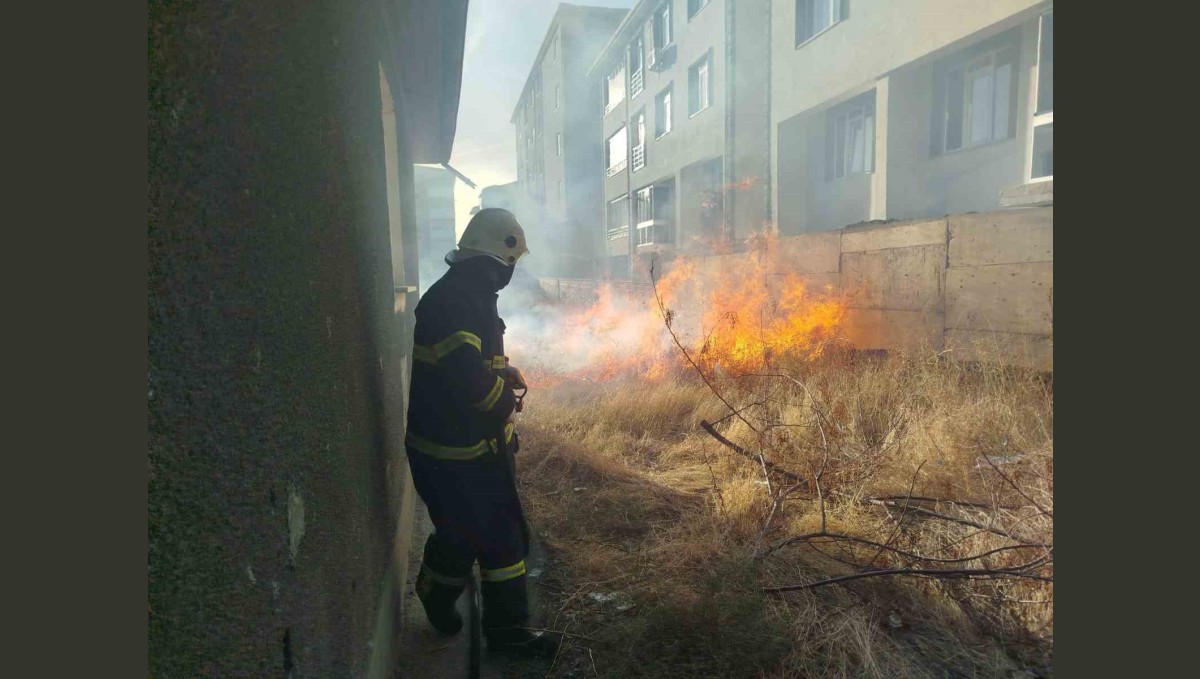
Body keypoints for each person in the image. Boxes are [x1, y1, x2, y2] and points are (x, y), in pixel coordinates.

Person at [405, 208, 557, 659]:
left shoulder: (467, 293)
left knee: (469, 534)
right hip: (455, 453)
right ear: (494, 260)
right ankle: (503, 632)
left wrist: (502, 370)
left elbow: (472, 360)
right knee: (495, 536)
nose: (511, 273)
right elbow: (465, 376)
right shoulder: (456, 302)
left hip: (462, 449)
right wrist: (505, 402)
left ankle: (441, 594)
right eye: (510, 264)